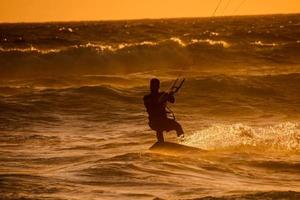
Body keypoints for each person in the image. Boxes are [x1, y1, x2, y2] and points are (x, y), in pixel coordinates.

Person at [143, 78, 184, 143]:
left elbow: (172, 101)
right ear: (150, 86)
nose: (154, 87)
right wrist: (162, 98)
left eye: (156, 86)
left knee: (178, 126)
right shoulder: (147, 97)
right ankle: (161, 144)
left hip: (164, 120)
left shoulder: (162, 94)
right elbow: (154, 102)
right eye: (153, 86)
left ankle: (182, 142)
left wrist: (170, 95)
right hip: (154, 122)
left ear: (158, 86)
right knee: (159, 129)